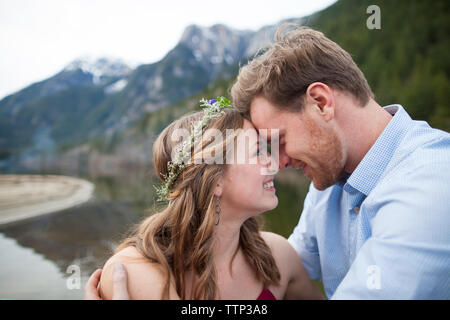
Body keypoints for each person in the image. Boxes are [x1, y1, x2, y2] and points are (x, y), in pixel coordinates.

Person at [229, 25, 450, 299]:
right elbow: (285, 266)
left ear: (321, 103)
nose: (279, 162)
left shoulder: (432, 181)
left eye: (281, 140)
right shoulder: (330, 179)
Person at [87, 98, 324, 300]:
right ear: (215, 180)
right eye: (256, 152)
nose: (274, 164)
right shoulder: (132, 270)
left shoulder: (278, 256)